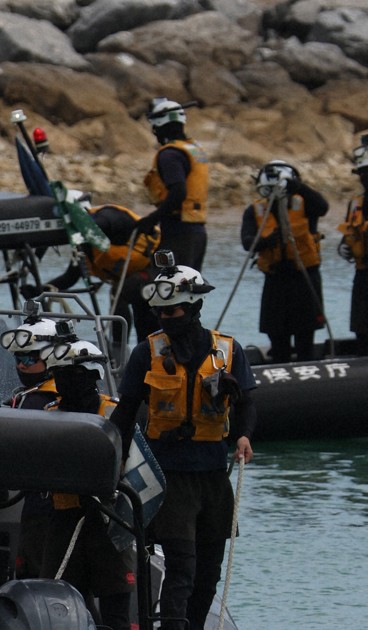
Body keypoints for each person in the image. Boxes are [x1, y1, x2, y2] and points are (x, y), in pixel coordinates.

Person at [108, 253, 257, 630]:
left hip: (212, 477)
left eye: (173, 311)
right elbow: (124, 415)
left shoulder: (227, 352)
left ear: (194, 307)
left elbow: (248, 402)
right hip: (169, 477)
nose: (166, 319)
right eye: (160, 312)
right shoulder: (147, 353)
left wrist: (243, 435)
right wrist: (110, 461)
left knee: (209, 572)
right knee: (181, 566)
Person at [38, 338, 135, 630]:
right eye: (60, 375)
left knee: (116, 605)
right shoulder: (48, 416)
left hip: (111, 520)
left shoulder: (114, 413)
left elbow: (139, 470)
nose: (66, 382)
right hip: (64, 519)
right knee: (60, 603)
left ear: (93, 375)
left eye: (73, 375)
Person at [35, 190, 162, 342]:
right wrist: (38, 291)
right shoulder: (83, 246)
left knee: (120, 293)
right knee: (144, 327)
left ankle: (118, 348)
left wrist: (77, 226)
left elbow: (100, 224)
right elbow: (70, 278)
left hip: (154, 269)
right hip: (133, 278)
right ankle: (130, 352)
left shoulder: (109, 216)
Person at [0, 312, 62, 579]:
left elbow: (11, 449)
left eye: (30, 358)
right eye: (18, 358)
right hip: (51, 504)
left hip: (44, 508)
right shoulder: (79, 393)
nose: (22, 366)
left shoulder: (31, 402)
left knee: (32, 576)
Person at [241, 160, 329, 363]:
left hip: (304, 277)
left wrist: (298, 187)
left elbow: (323, 207)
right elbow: (247, 243)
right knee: (278, 335)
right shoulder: (254, 211)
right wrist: (268, 241)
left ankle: (307, 369)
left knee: (305, 335)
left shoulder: (305, 203)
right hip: (275, 279)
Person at [138, 98, 210, 271]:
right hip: (197, 230)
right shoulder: (193, 149)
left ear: (159, 125)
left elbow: (178, 192)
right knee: (188, 288)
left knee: (167, 287)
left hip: (178, 231)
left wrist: (151, 219)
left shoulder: (169, 154)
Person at [337, 137, 368, 355]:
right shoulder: (356, 203)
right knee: (362, 328)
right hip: (362, 276)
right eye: (362, 173)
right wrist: (344, 247)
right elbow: (349, 233)